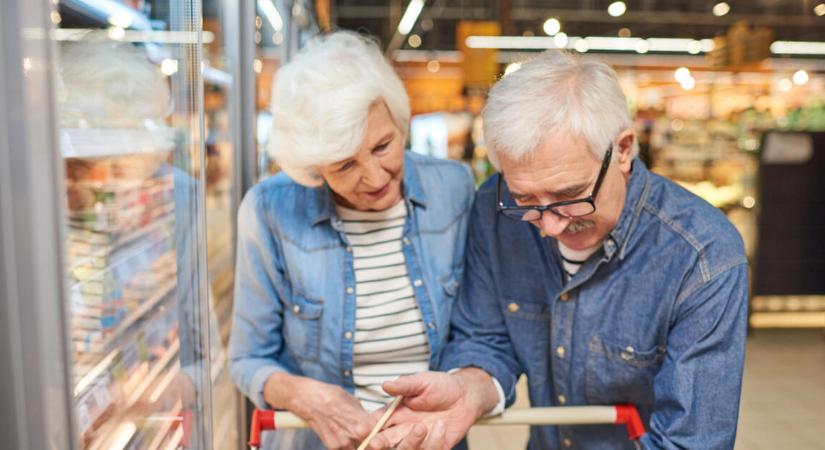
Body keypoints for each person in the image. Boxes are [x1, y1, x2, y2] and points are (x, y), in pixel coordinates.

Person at [367, 50, 749, 450]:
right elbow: (486, 338)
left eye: (570, 195)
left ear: (622, 149)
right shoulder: (494, 211)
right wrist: (468, 388)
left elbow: (692, 443)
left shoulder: (702, 255)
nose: (550, 226)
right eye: (526, 199)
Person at [228, 31, 475, 450]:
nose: (376, 178)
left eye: (383, 146)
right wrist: (304, 396)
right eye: (344, 166)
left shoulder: (454, 188)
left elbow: (477, 330)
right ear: (313, 169)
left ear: (399, 122)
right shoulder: (270, 211)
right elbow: (247, 360)